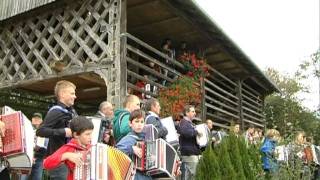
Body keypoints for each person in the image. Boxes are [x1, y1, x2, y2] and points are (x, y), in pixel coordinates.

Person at [36, 80, 77, 180]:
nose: (75, 96)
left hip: (69, 158)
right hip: (59, 160)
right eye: (72, 93)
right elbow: (40, 131)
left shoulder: (71, 111)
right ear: (62, 94)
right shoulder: (56, 111)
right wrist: (63, 132)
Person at [43, 116, 93, 180]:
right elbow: (46, 163)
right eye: (87, 134)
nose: (90, 137)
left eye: (91, 134)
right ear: (76, 135)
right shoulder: (69, 148)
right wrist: (66, 155)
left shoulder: (93, 148)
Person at [116, 109, 152, 180]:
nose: (139, 124)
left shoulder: (145, 139)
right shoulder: (128, 138)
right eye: (136, 121)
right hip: (135, 176)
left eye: (142, 122)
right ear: (130, 123)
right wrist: (131, 149)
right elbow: (116, 150)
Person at [179, 105, 201, 180]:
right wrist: (197, 132)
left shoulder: (189, 123)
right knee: (196, 174)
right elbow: (186, 132)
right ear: (187, 113)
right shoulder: (184, 122)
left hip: (191, 153)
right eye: (193, 111)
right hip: (189, 153)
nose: (195, 113)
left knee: (189, 176)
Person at [30, 113, 48, 180]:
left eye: (38, 118)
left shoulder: (45, 131)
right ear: (32, 120)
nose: (36, 120)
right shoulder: (26, 128)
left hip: (39, 158)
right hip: (27, 158)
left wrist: (41, 147)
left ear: (41, 120)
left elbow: (47, 147)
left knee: (37, 178)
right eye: (35, 118)